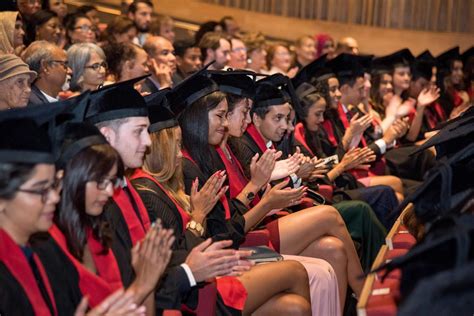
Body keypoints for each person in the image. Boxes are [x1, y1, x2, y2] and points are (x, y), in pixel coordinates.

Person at [132, 90, 328, 315]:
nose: (226, 124)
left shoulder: (208, 157)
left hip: (214, 267)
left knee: (296, 306)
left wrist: (263, 193)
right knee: (299, 268)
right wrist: (199, 216)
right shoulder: (152, 188)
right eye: (221, 115)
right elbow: (198, 247)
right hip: (199, 288)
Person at [0, 111, 146, 315]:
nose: (54, 197)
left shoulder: (46, 252)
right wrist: (144, 284)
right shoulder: (45, 250)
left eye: (53, 186)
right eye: (41, 190)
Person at [23, 41, 71, 105]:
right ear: (45, 67)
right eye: (64, 65)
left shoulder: (60, 101)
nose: (70, 71)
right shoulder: (33, 107)